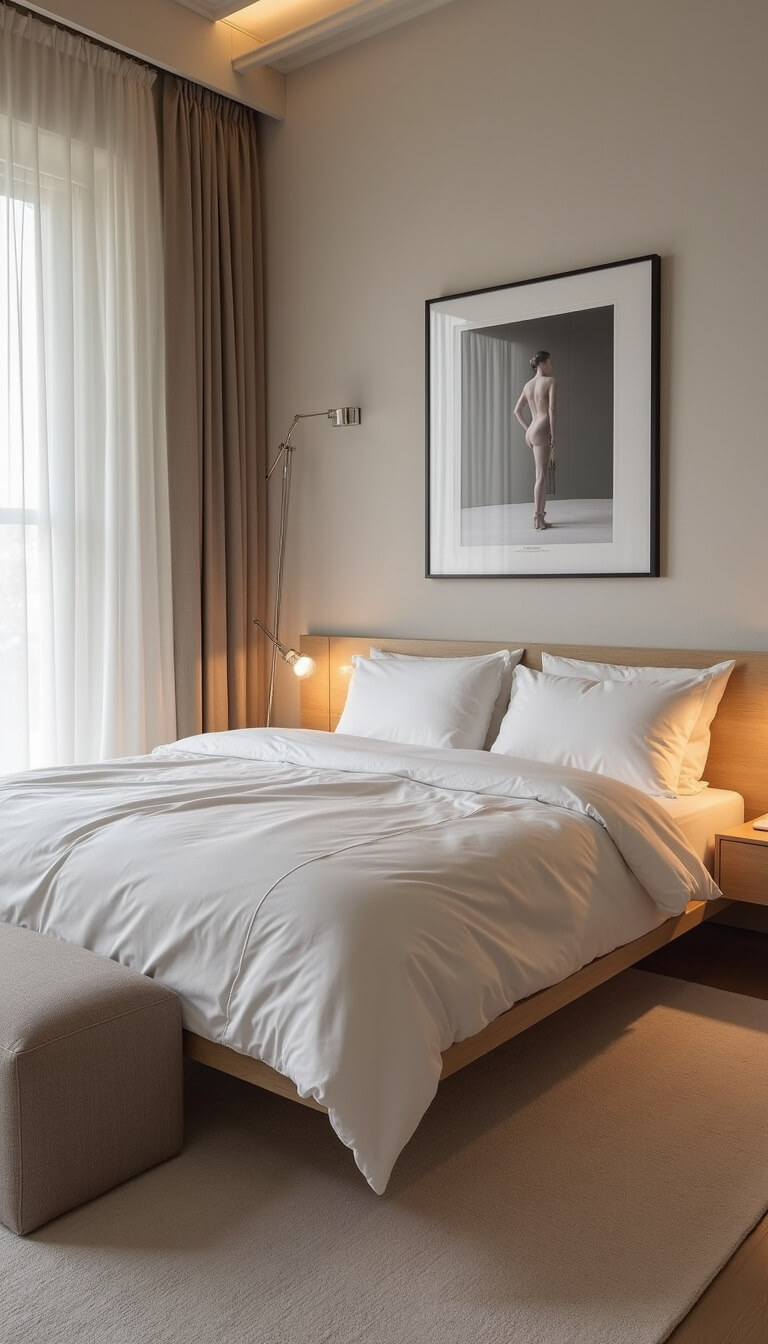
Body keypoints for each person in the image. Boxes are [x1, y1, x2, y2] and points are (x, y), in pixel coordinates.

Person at [514, 350, 557, 530]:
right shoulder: (550, 381)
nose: (551, 366)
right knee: (541, 476)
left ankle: (541, 516)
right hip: (542, 428)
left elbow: (517, 411)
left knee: (540, 475)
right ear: (542, 364)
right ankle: (537, 518)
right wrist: (553, 433)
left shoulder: (528, 385)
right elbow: (552, 409)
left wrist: (528, 429)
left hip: (532, 429)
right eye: (549, 362)